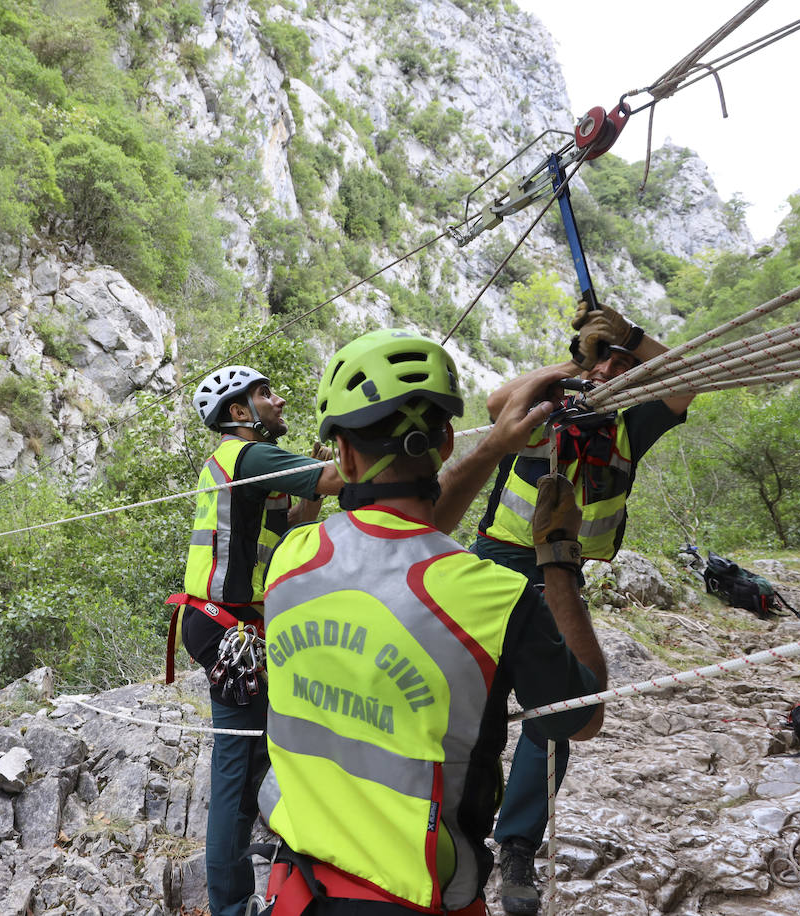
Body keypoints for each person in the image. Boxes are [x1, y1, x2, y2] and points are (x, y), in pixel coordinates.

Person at [257, 328, 608, 915]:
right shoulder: (497, 598)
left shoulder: (292, 558)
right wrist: (559, 558)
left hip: (297, 888)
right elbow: (583, 716)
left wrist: (495, 446)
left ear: (342, 455)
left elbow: (400, 542)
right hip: (414, 897)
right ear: (446, 440)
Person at [472, 304, 695, 915]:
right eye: (603, 365)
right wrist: (579, 360)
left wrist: (632, 342)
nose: (607, 374)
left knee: (560, 709)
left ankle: (517, 845)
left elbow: (686, 383)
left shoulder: (631, 427)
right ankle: (456, 825)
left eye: (620, 369)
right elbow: (497, 405)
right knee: (472, 700)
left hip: (560, 576)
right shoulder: (547, 408)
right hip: (495, 563)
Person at [172, 364, 344, 916]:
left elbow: (295, 522)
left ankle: (248, 891)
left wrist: (313, 476)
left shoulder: (246, 466)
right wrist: (346, 453)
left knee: (248, 762)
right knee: (236, 768)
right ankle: (229, 905)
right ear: (240, 413)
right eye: (265, 394)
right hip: (229, 627)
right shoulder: (247, 456)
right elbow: (337, 480)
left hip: (226, 624)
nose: (279, 400)